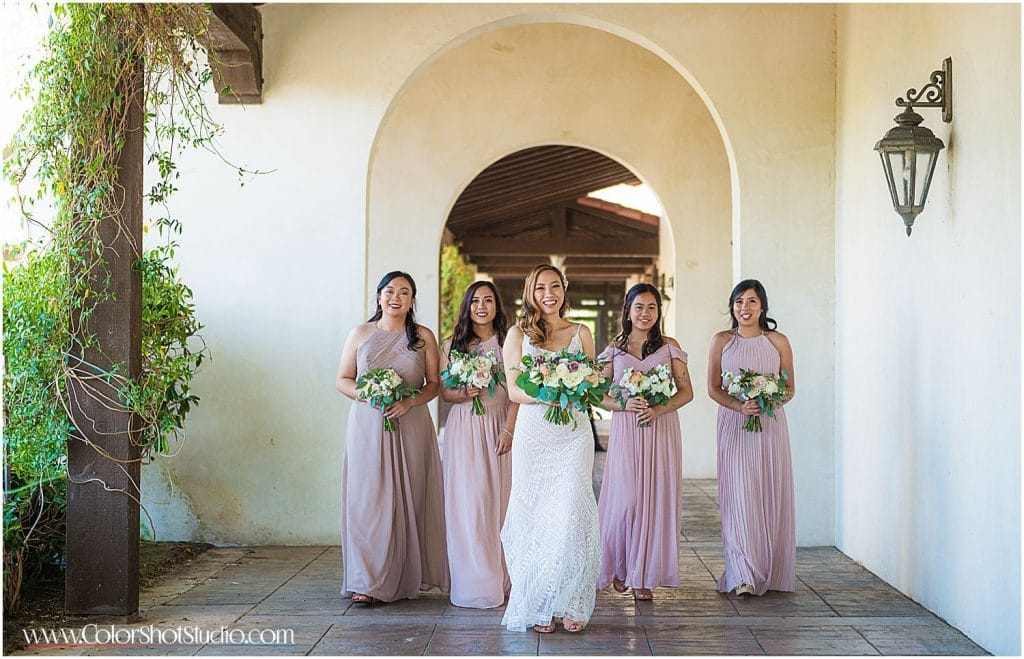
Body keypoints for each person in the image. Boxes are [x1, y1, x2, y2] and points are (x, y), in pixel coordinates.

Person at [335, 270, 449, 603]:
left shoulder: (423, 336)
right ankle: (366, 581)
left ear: (413, 300)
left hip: (410, 424)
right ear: (379, 296)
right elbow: (342, 379)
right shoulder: (360, 333)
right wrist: (370, 395)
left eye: (403, 292)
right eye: (389, 291)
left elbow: (434, 385)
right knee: (367, 500)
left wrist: (409, 401)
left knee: (407, 498)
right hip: (368, 425)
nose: (395, 297)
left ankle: (401, 578)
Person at [499, 264, 601, 634]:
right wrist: (552, 390)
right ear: (531, 292)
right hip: (534, 434)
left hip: (573, 433)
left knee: (573, 513)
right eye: (541, 287)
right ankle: (539, 602)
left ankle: (573, 601)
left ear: (564, 289)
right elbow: (514, 391)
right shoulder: (517, 334)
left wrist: (573, 389)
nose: (549, 293)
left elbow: (590, 384)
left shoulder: (581, 332)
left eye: (555, 286)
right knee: (536, 513)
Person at [597, 283, 694, 601]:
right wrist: (624, 405)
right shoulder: (613, 350)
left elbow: (685, 391)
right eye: (639, 306)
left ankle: (642, 576)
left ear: (658, 312)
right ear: (627, 309)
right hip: (627, 431)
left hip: (660, 430)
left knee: (654, 499)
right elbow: (599, 393)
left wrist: (657, 409)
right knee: (626, 500)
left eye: (652, 307)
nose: (645, 313)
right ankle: (620, 566)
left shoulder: (669, 347)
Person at [706, 279, 796, 596]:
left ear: (763, 306)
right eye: (739, 301)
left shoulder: (778, 341)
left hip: (769, 426)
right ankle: (742, 573)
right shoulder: (721, 341)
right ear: (732, 306)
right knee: (739, 495)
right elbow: (713, 388)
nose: (745, 308)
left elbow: (788, 388)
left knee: (766, 493)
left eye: (752, 301)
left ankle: (768, 568)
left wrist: (766, 401)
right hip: (733, 425)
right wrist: (739, 405)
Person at [439, 281, 518, 609]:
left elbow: (519, 391)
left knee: (502, 502)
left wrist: (509, 431)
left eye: (488, 300)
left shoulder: (511, 342)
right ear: (467, 307)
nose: (482, 306)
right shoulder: (451, 345)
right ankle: (475, 581)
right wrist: (463, 392)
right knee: (469, 504)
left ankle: (508, 578)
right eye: (475, 301)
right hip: (465, 427)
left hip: (500, 425)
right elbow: (445, 392)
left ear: (497, 305)